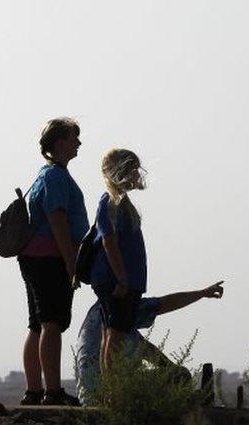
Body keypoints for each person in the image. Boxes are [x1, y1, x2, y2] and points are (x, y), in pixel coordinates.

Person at [18, 118, 89, 406]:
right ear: (61, 143)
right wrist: (71, 262)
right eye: (74, 138)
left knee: (37, 324)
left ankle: (34, 390)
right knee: (51, 323)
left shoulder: (45, 175)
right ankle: (52, 392)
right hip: (50, 257)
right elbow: (58, 220)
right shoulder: (56, 177)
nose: (79, 143)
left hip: (35, 257)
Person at [74, 282, 225, 405]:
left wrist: (170, 369)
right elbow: (164, 304)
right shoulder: (120, 307)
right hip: (108, 396)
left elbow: (146, 349)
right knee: (180, 376)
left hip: (88, 397)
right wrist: (202, 293)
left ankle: (190, 398)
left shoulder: (104, 315)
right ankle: (192, 401)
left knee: (176, 375)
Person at [89, 148, 150, 373]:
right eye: (132, 169)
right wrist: (122, 279)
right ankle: (112, 394)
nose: (136, 174)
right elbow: (109, 241)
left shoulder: (122, 203)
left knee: (114, 333)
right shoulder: (110, 202)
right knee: (114, 335)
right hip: (116, 281)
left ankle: (113, 391)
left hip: (125, 280)